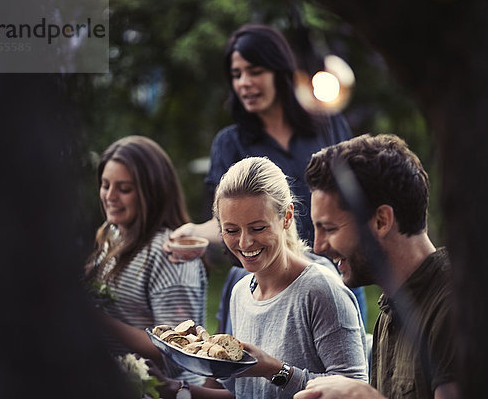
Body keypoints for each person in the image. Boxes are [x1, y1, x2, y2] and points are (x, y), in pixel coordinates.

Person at [169, 23, 367, 331]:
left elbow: (355, 200)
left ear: (280, 71)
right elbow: (224, 221)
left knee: (340, 375)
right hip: (266, 285)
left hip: (335, 274)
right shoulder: (230, 142)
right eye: (236, 75)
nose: (245, 83)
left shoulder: (327, 124)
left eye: (255, 71)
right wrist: (195, 232)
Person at [157, 157, 368, 399]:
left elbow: (354, 389)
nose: (245, 242)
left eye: (258, 228)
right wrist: (176, 390)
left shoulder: (320, 290)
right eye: (231, 230)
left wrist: (274, 370)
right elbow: (247, 394)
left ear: (286, 217)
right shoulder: (240, 292)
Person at [295, 134, 459, 399]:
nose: (318, 247)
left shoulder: (454, 305)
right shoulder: (390, 311)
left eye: (330, 228)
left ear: (381, 221)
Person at [84, 135, 207, 386]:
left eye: (124, 188)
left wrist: (98, 319)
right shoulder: (112, 233)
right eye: (105, 185)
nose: (110, 196)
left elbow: (177, 355)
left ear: (152, 192)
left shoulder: (171, 256)